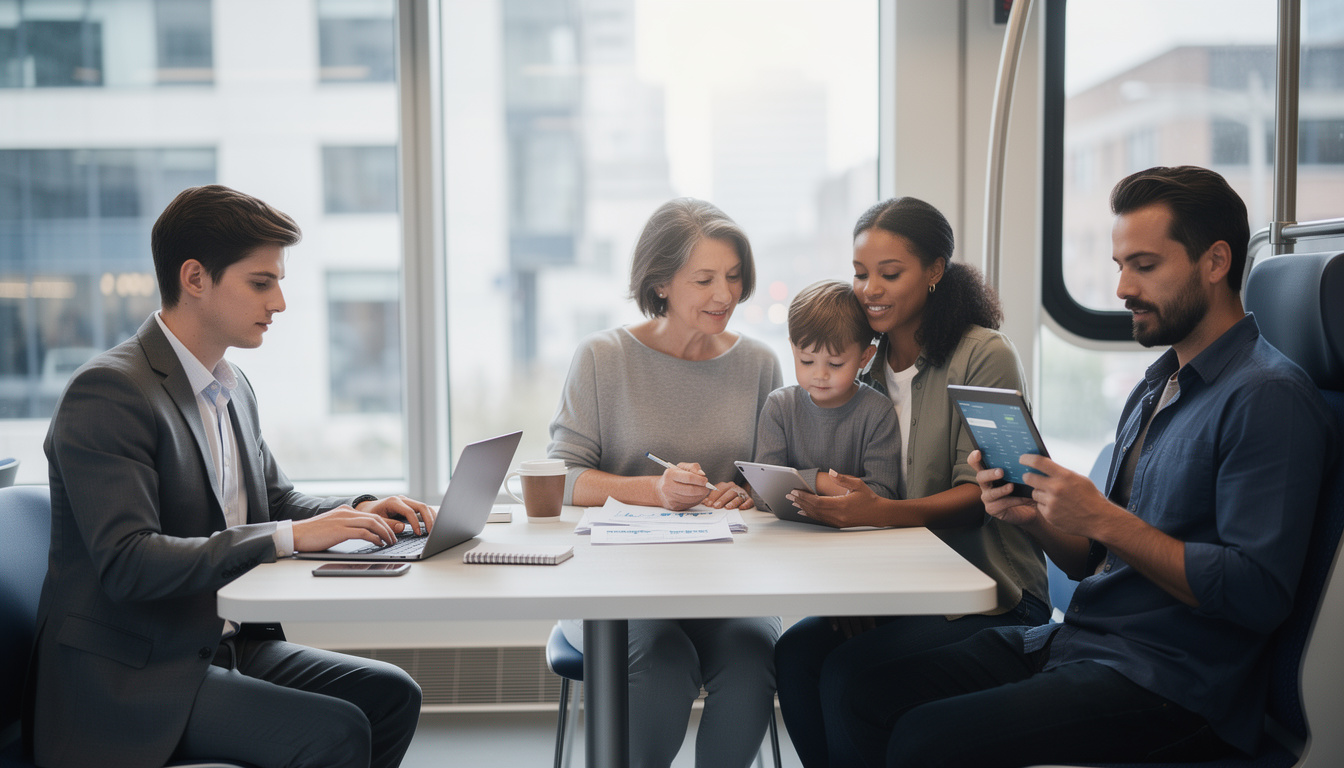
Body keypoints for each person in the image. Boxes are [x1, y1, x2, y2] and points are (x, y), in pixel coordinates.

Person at [831, 166, 1338, 767]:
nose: (1122, 288)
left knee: (926, 738)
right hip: (1084, 641)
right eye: (1120, 265)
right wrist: (1036, 518)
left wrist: (1100, 516)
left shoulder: (1267, 397)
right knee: (860, 690)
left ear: (1216, 261)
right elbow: (1092, 560)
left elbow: (1256, 593)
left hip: (1170, 682)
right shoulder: (1156, 387)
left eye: (1143, 266)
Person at [31, 185, 433, 768]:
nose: (280, 303)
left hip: (217, 645)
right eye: (261, 283)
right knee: (336, 732)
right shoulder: (110, 392)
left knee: (392, 695)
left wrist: (363, 508)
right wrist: (287, 538)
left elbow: (276, 500)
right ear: (195, 278)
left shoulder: (230, 385)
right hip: (130, 678)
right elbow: (128, 562)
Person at [775, 197, 1049, 768]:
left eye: (889, 273)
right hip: (901, 589)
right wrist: (857, 591)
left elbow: (983, 498)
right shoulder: (860, 365)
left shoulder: (982, 354)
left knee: (850, 675)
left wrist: (875, 513)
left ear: (934, 271)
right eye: (859, 273)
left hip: (992, 595)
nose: (869, 289)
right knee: (796, 654)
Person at [547, 197, 782, 768]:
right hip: (615, 582)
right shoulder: (602, 358)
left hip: (725, 583)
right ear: (660, 282)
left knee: (753, 660)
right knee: (661, 661)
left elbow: (772, 481)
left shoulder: (759, 363)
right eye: (704, 279)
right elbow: (561, 479)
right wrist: (653, 491)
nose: (724, 294)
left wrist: (747, 493)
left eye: (733, 276)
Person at [754, 280, 901, 501]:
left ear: (865, 357)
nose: (820, 375)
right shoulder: (780, 406)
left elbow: (882, 496)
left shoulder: (878, 412)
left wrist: (812, 481)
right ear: (793, 349)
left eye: (835, 364)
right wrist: (825, 483)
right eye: (806, 361)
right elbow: (763, 492)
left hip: (854, 525)